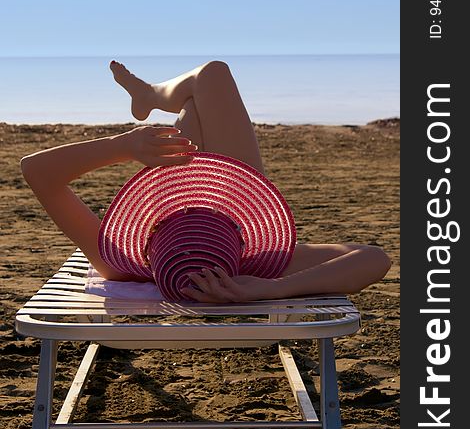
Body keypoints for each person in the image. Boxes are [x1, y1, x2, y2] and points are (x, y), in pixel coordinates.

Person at [20, 60, 391, 303]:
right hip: (233, 194)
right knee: (210, 77)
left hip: (188, 193)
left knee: (206, 86)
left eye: (168, 221)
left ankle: (148, 96)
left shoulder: (117, 262)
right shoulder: (256, 264)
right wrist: (270, 289)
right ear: (237, 240)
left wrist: (125, 146)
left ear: (148, 237)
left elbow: (36, 169)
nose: (193, 204)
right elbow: (375, 258)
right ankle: (150, 95)